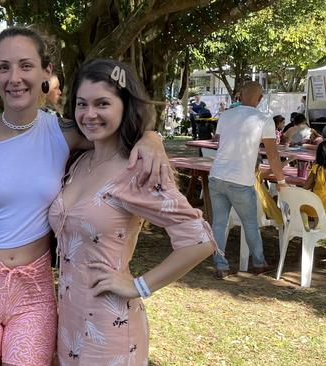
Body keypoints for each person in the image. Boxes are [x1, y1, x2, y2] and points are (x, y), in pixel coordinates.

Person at [0, 27, 168, 366]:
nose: (15, 78)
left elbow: (119, 121)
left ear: (46, 72)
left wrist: (151, 137)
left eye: (26, 65)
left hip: (34, 287)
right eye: (3, 67)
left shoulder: (64, 132)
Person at [50, 58, 215, 366]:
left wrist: (139, 285)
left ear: (125, 106)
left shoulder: (136, 170)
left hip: (109, 326)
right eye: (82, 104)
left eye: (102, 103)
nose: (89, 114)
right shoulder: (79, 161)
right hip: (68, 319)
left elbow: (199, 239)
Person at [209, 81, 288, 279]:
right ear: (260, 99)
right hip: (241, 179)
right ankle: (259, 263)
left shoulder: (225, 115)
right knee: (250, 223)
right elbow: (272, 154)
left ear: (240, 95)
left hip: (217, 174)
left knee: (219, 224)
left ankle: (221, 265)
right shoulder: (264, 119)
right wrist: (281, 180)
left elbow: (219, 143)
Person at [303, 140, 326, 218]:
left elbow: (306, 187)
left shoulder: (317, 169)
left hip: (318, 208)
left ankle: (307, 228)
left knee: (299, 208)